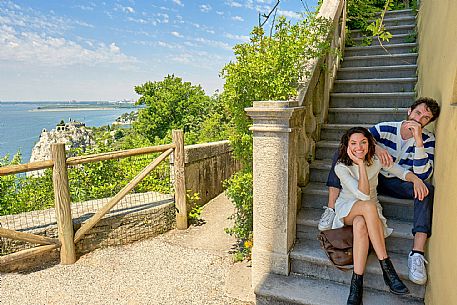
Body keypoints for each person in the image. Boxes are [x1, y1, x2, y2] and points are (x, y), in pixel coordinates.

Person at [318, 97, 441, 286]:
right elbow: (362, 137)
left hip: (398, 181)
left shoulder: (428, 140)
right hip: (373, 178)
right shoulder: (387, 128)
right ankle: (331, 208)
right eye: (417, 113)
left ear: (429, 123)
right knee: (340, 153)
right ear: (409, 111)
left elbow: (422, 173)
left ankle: (417, 253)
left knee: (426, 189)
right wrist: (378, 147)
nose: (419, 119)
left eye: (425, 118)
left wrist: (418, 142)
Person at [332, 127, 428, 305]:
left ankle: (356, 283)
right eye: (353, 143)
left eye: (363, 142)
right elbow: (363, 196)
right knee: (366, 207)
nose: (359, 147)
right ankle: (387, 267)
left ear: (370, 144)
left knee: (361, 224)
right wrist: (360, 164)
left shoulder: (376, 160)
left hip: (369, 211)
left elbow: (400, 171)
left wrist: (415, 179)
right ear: (347, 146)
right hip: (347, 209)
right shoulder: (341, 167)